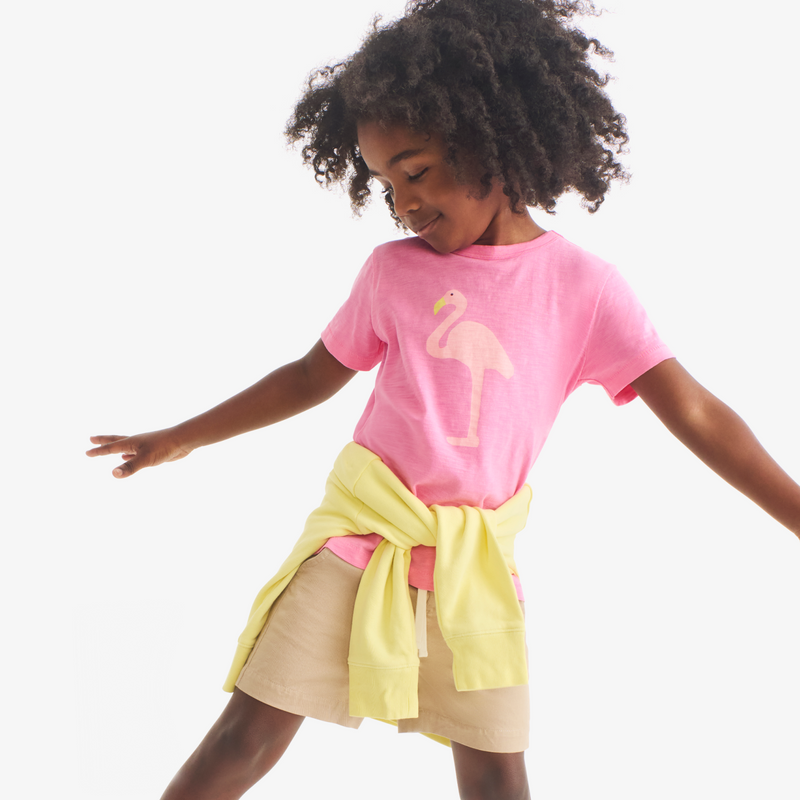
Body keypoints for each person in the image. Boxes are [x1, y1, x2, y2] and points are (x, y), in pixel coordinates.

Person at [85, 1, 800, 798]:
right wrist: (181, 436)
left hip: (475, 567)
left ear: (490, 140)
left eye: (417, 172)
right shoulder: (393, 272)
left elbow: (696, 412)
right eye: (386, 182)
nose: (403, 203)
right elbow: (310, 375)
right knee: (242, 738)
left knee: (496, 774)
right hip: (360, 536)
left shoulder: (584, 289)